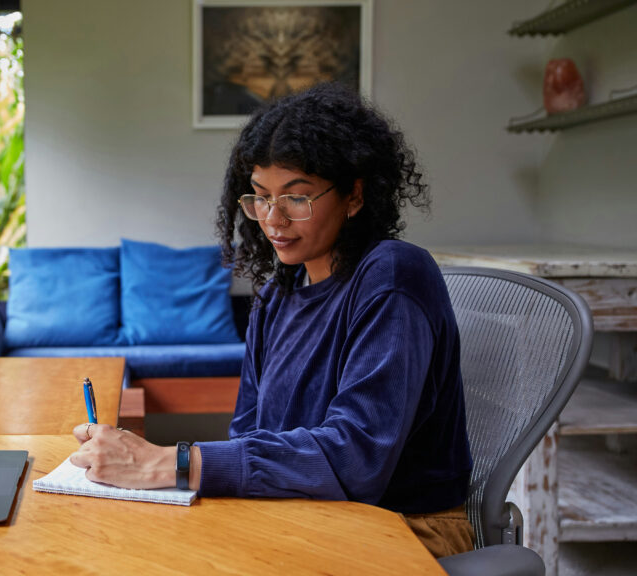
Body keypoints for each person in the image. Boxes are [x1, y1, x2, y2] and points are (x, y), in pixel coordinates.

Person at [69, 82, 474, 558]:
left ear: (354, 195)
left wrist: (169, 463)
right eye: (260, 197)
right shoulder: (276, 297)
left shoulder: (392, 275)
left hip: (401, 528)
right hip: (302, 515)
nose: (273, 220)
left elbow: (356, 459)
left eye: (297, 198)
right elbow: (248, 434)